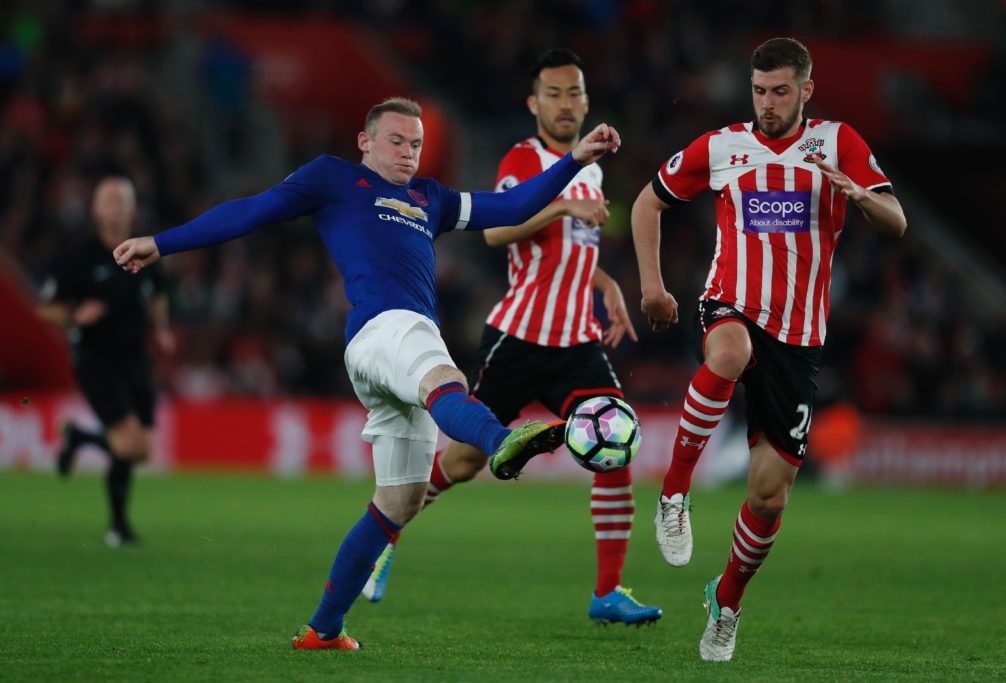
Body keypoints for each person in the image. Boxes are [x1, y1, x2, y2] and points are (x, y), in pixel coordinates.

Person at [112, 97, 622, 650]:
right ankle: (504, 438)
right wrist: (160, 244)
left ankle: (324, 629)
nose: (408, 153)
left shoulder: (432, 198)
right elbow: (250, 211)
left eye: (417, 145)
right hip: (385, 330)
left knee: (398, 501)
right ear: (366, 141)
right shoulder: (333, 179)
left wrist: (573, 161)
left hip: (386, 356)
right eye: (397, 141)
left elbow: (513, 207)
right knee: (440, 376)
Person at [360, 48, 662, 627]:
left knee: (616, 442)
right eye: (554, 93)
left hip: (577, 341)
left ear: (586, 100)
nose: (566, 103)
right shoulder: (524, 159)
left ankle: (608, 591)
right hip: (519, 338)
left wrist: (606, 284)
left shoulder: (593, 167)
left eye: (575, 93)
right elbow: (497, 231)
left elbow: (572, 250)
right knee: (467, 459)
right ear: (534, 103)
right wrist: (562, 204)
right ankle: (386, 532)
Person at [631, 38, 906, 661]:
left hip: (800, 338)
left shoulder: (839, 144)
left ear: (806, 90)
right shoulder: (723, 147)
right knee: (726, 354)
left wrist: (862, 197)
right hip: (732, 305)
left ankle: (725, 602)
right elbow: (649, 201)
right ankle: (674, 494)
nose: (768, 104)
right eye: (759, 91)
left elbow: (897, 220)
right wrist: (652, 286)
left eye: (781, 91)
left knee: (768, 495)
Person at [38, 176, 175, 547]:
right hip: (95, 359)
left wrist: (161, 328)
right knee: (128, 443)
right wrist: (74, 315)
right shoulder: (77, 258)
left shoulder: (146, 251)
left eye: (121, 201)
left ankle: (78, 436)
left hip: (135, 357)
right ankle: (118, 526)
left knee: (141, 448)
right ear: (95, 209)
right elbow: (45, 307)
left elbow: (158, 294)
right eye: (107, 201)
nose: (115, 207)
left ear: (132, 209)